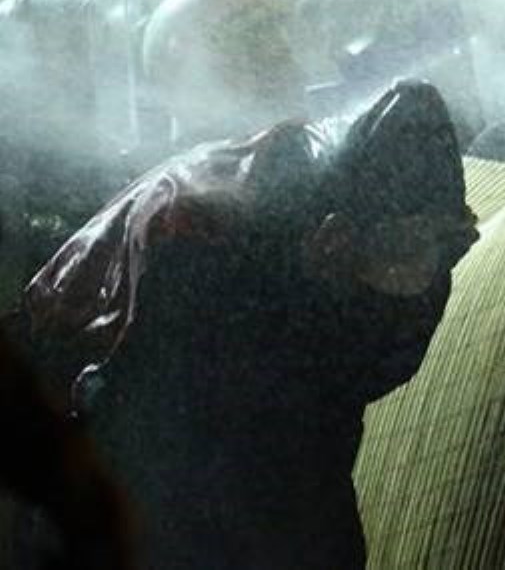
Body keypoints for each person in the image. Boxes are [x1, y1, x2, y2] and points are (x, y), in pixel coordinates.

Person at [21, 80, 480, 570]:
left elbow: (330, 418)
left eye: (442, 248)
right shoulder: (205, 255)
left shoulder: (397, 267)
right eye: (403, 252)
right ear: (332, 243)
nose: (422, 275)